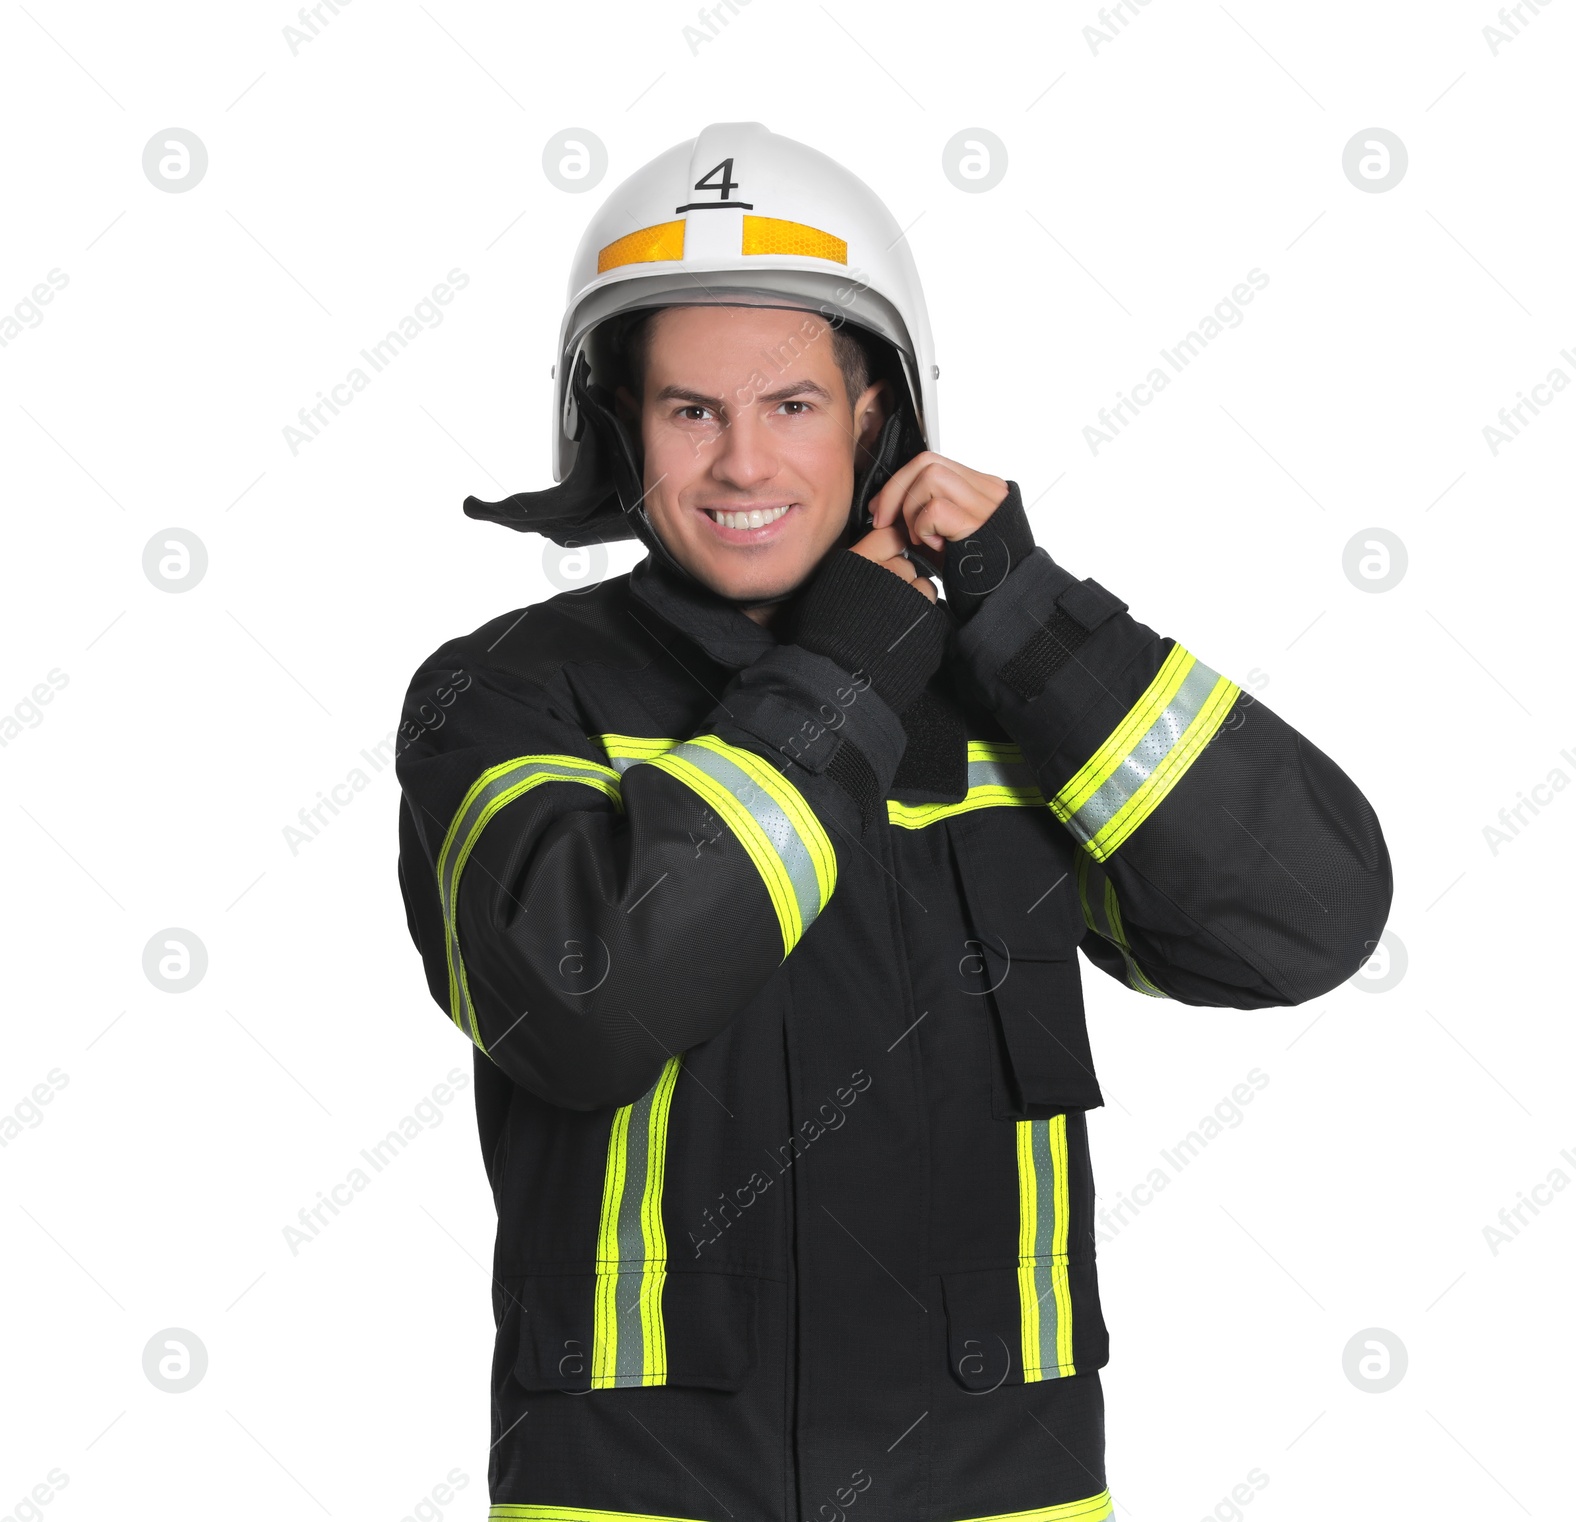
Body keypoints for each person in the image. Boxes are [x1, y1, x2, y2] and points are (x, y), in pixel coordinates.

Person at [394, 121, 1392, 1522]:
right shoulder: (506, 690)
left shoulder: (1017, 690)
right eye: (693, 410)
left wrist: (1038, 624)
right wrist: (850, 664)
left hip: (997, 1486)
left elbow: (1310, 917)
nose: (744, 462)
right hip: (639, 1490)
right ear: (621, 422)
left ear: (876, 412)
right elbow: (584, 1001)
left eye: (792, 405)